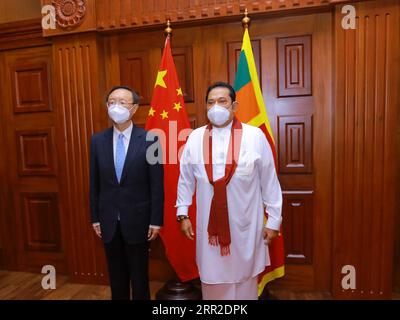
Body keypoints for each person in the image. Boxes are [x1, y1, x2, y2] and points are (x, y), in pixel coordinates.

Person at [176, 82, 282, 300]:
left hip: (246, 227)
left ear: (234, 106)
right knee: (213, 282)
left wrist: (273, 221)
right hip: (209, 230)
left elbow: (269, 181)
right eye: (211, 102)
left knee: (245, 284)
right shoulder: (195, 138)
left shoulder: (255, 137)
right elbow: (185, 179)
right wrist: (183, 213)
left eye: (222, 101)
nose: (216, 106)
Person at [89, 86, 164, 300]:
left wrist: (156, 221)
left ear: (134, 109)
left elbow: (157, 184)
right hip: (109, 220)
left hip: (139, 220)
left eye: (122, 102)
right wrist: (95, 217)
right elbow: (94, 183)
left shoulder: (152, 140)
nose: (116, 106)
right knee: (116, 278)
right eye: (112, 102)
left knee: (140, 279)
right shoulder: (97, 141)